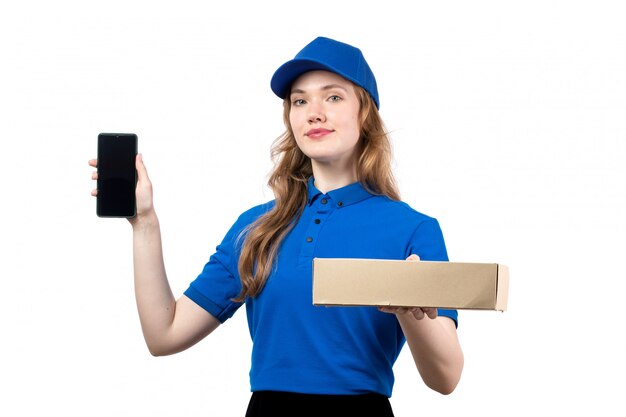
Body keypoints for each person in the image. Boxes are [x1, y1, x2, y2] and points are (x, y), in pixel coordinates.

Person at [89, 36, 464, 416]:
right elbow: (164, 334)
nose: (313, 112)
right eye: (300, 101)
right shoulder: (256, 227)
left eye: (332, 97)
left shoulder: (414, 229)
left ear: (364, 114)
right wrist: (144, 224)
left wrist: (407, 307)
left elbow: (445, 377)